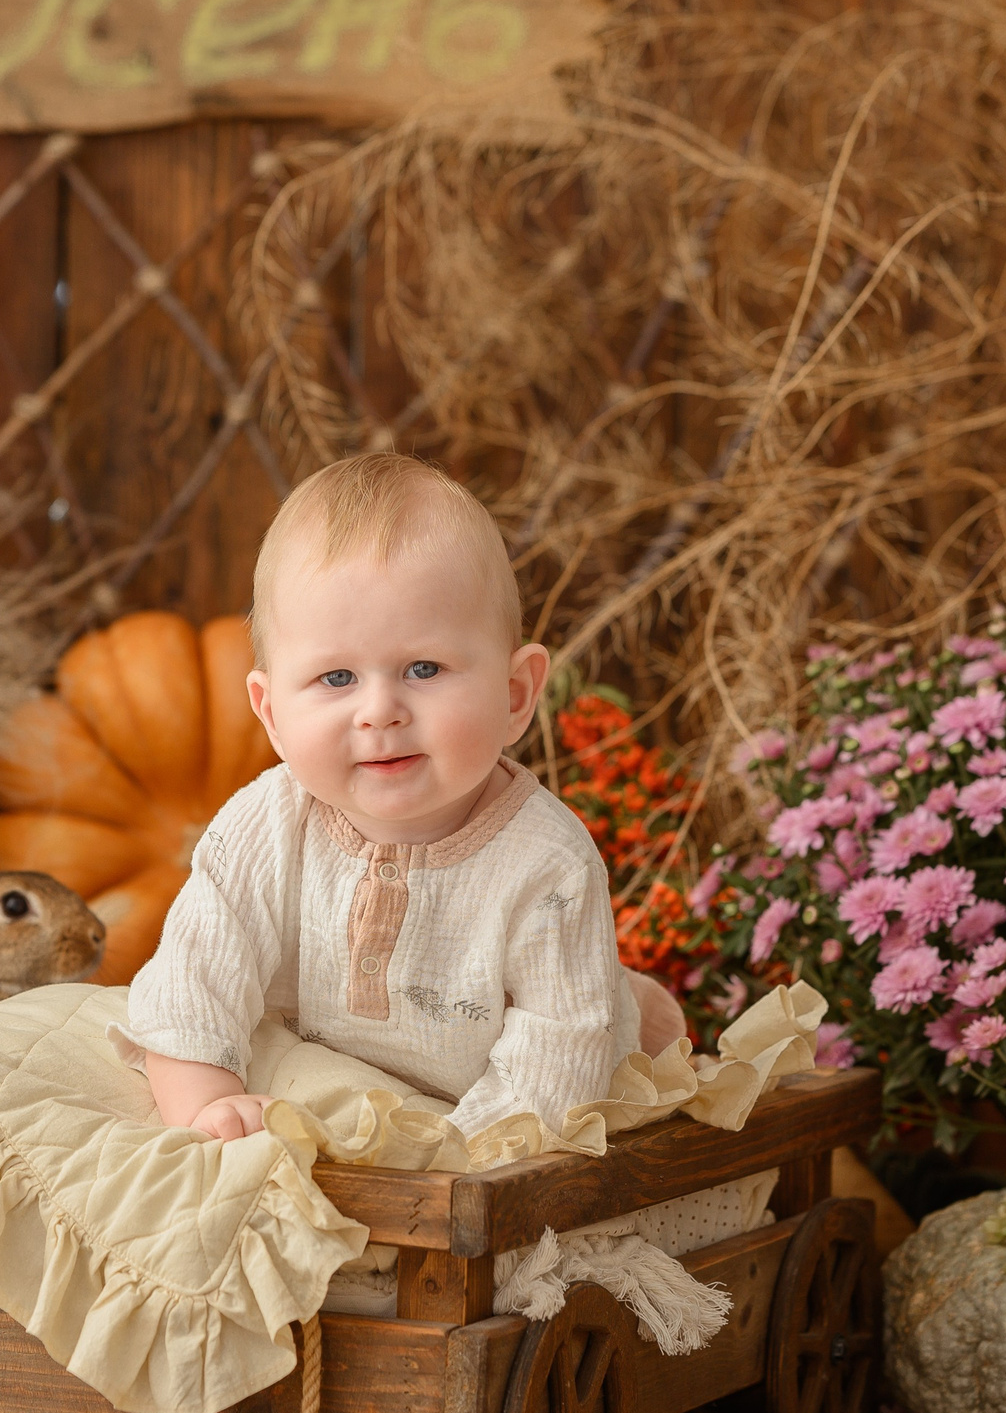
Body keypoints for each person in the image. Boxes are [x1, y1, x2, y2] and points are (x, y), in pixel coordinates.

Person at [124, 452, 690, 1142]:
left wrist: (441, 1172)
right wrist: (211, 1105)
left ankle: (641, 1009)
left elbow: (553, 1079)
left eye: (423, 668)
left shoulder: (548, 866)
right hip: (336, 1093)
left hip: (492, 1134)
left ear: (515, 696)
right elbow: (194, 985)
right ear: (271, 714)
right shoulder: (265, 826)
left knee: (600, 1034)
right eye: (336, 678)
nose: (379, 710)